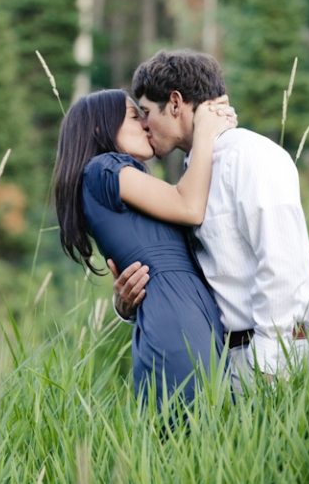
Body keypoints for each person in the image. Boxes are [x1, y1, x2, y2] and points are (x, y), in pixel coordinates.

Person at [111, 50, 309, 393]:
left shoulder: (250, 156)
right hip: (219, 362)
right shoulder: (194, 173)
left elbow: (281, 263)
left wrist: (268, 366)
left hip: (265, 358)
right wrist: (127, 305)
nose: (145, 125)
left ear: (176, 103)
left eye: (147, 112)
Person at [54, 89, 236, 407]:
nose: (146, 124)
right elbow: (190, 206)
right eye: (135, 116)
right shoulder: (104, 168)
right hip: (178, 321)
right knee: (192, 433)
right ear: (101, 128)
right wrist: (205, 131)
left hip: (183, 315)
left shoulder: (109, 179)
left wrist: (125, 306)